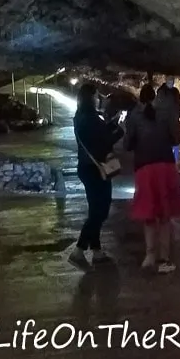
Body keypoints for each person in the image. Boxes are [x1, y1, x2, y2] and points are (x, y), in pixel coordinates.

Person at [124, 83, 180, 273]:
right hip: (165, 165)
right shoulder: (166, 112)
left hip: (144, 167)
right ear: (155, 97)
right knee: (165, 215)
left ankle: (149, 256)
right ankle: (165, 258)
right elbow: (175, 139)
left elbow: (128, 144)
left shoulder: (133, 115)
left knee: (149, 214)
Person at [70, 82, 123, 267]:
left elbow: (96, 136)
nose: (99, 98)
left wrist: (109, 124)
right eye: (96, 96)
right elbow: (105, 141)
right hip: (96, 169)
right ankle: (79, 249)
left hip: (85, 167)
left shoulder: (80, 117)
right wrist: (120, 130)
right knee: (100, 211)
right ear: (91, 97)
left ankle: (97, 251)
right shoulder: (92, 118)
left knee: (95, 210)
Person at [155, 77, 180, 164]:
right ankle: (166, 165)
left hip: (174, 122)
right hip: (164, 123)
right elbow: (158, 107)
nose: (171, 82)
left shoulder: (175, 91)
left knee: (176, 143)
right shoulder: (161, 92)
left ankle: (174, 164)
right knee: (166, 144)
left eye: (172, 80)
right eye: (170, 80)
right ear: (166, 80)